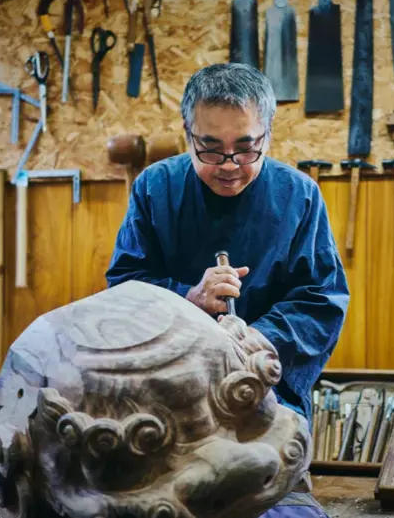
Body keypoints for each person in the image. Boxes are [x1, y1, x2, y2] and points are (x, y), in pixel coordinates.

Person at [105, 63, 349, 517]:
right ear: (188, 133)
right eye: (211, 149)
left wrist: (254, 340)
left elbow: (321, 300)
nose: (230, 166)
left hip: (265, 395)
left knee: (275, 505)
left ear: (268, 135)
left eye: (246, 148)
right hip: (166, 397)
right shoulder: (154, 188)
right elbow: (123, 287)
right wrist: (188, 300)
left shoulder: (300, 196)